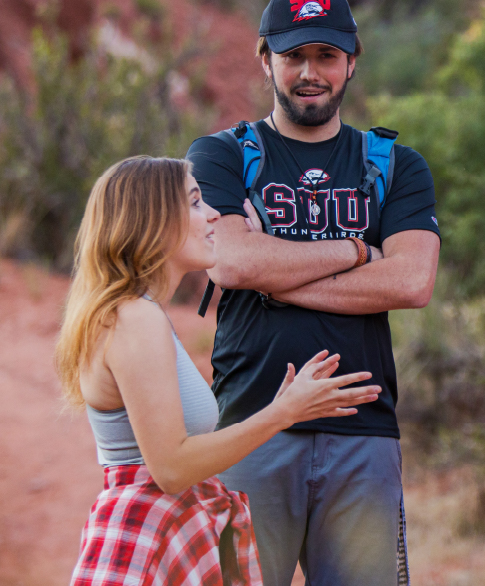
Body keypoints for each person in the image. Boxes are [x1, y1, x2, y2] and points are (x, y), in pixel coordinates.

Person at [184, 0, 440, 586]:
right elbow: (230, 265)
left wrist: (272, 273)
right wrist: (357, 249)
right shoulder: (221, 154)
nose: (309, 72)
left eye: (325, 55)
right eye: (293, 55)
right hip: (250, 426)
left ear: (351, 61)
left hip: (364, 429)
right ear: (264, 57)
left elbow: (410, 282)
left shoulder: (395, 165)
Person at [56, 156, 381, 585]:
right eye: (194, 203)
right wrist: (283, 414)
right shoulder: (135, 317)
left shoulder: (137, 313)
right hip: (147, 532)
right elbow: (170, 469)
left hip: (155, 527)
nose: (212, 215)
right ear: (152, 219)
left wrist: (283, 407)